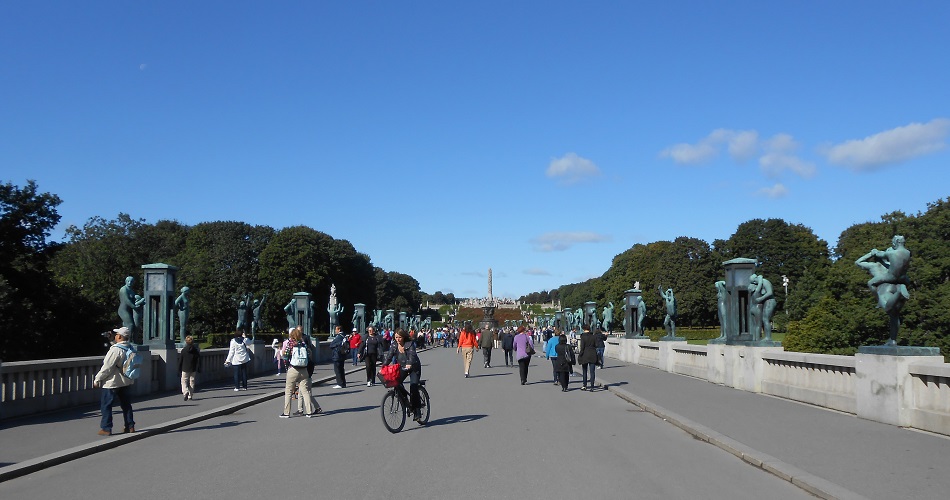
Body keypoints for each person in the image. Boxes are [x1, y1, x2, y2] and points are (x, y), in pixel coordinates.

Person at [94, 327, 137, 435]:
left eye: (117, 334)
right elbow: (120, 348)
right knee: (126, 405)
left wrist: (97, 379)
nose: (115, 335)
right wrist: (111, 340)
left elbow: (107, 367)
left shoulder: (115, 350)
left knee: (106, 405)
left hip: (112, 382)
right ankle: (130, 426)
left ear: (119, 336)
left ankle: (106, 428)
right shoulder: (131, 348)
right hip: (126, 381)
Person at [279, 327, 320, 418]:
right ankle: (309, 411)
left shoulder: (290, 344)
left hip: (293, 369)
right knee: (305, 391)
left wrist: (287, 365)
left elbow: (285, 357)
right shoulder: (303, 344)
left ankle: (286, 412)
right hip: (304, 369)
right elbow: (309, 354)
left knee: (289, 391)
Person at [384, 329, 424, 422]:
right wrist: (384, 366)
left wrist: (409, 363)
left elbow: (412, 355)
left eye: (400, 337)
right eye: (396, 337)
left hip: (414, 367)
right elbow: (389, 356)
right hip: (402, 367)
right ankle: (405, 401)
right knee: (396, 382)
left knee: (413, 387)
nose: (398, 339)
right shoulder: (394, 345)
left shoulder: (409, 344)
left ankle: (417, 411)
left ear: (404, 337)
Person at [178, 334, 200, 401]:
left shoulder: (184, 350)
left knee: (184, 381)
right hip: (193, 368)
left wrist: (179, 368)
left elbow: (181, 360)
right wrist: (198, 368)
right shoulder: (195, 351)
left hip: (185, 368)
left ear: (186, 342)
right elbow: (198, 360)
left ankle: (185, 391)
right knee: (192, 382)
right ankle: (190, 395)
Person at [577, 324, 598, 390]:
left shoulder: (583, 336)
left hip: (585, 354)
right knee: (592, 371)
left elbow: (582, 347)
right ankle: (592, 386)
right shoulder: (593, 336)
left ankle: (584, 385)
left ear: (583, 329)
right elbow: (596, 345)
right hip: (592, 353)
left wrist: (580, 355)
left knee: (584, 371)